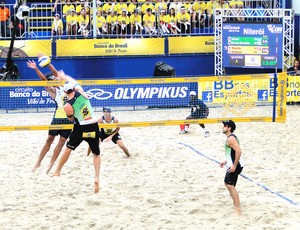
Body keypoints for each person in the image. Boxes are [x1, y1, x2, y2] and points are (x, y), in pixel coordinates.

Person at [52, 78, 101, 194]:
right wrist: (64, 76)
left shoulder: (67, 106)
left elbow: (71, 118)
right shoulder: (81, 92)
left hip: (80, 128)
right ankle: (96, 178)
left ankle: (57, 171)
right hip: (93, 125)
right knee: (96, 154)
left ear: (65, 92)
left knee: (68, 149)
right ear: (73, 88)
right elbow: (75, 82)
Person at [27, 58, 73, 174]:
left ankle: (51, 164)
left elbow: (56, 73)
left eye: (55, 79)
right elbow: (43, 79)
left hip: (69, 119)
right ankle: (38, 162)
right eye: (52, 80)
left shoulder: (66, 87)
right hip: (58, 118)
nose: (54, 80)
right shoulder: (54, 91)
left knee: (62, 142)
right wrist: (36, 68)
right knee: (49, 140)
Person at [219, 120, 244, 215]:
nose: (223, 127)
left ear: (229, 128)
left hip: (235, 165)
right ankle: (236, 204)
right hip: (234, 164)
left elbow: (239, 151)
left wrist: (234, 165)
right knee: (229, 184)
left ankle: (238, 209)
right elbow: (233, 152)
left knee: (229, 185)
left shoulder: (231, 139)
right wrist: (226, 161)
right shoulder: (230, 138)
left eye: (225, 126)